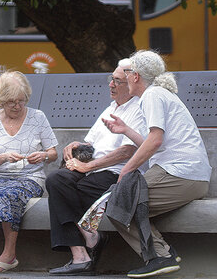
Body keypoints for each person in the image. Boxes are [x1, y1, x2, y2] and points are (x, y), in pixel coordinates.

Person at [102, 50, 212, 278]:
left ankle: (160, 256)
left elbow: (155, 140)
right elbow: (154, 142)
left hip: (179, 174)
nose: (123, 77)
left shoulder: (152, 95)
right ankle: (164, 253)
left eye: (127, 72)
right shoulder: (158, 95)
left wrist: (127, 168)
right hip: (188, 176)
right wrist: (127, 130)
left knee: (119, 202)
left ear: (135, 76)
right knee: (121, 200)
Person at [46, 59, 148, 276]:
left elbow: (127, 152)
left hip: (116, 174)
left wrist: (88, 166)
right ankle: (83, 248)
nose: (110, 84)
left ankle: (85, 243)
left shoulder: (139, 108)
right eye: (110, 79)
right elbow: (92, 144)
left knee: (73, 191)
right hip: (92, 170)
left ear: (131, 83)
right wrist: (77, 146)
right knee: (56, 180)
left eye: (117, 81)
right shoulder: (110, 107)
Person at [0, 71, 58, 275]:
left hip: (29, 177)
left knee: (10, 194)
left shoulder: (38, 117)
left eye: (21, 101)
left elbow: (53, 154)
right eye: (11, 102)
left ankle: (9, 256)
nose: (17, 106)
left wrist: (42, 155)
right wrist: (4, 157)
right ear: (1, 101)